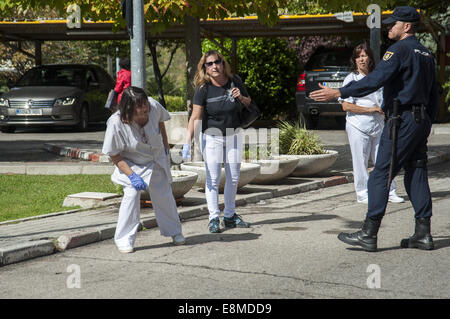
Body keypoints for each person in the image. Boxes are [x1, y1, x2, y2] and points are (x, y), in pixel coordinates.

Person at [310, 6, 439, 252]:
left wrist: (339, 91)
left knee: (380, 173)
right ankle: (423, 233)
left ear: (407, 26)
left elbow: (374, 80)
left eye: (394, 24)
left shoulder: (398, 50)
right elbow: (434, 94)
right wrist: (426, 122)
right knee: (417, 171)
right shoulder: (426, 54)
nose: (389, 27)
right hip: (419, 121)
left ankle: (369, 234)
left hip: (401, 120)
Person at [102, 86, 185, 253]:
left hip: (155, 158)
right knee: (132, 195)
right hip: (131, 162)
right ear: (128, 108)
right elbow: (115, 155)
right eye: (139, 107)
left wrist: (165, 145)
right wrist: (132, 176)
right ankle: (124, 239)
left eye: (145, 104)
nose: (145, 109)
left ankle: (174, 232)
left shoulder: (153, 106)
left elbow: (160, 120)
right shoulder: (116, 123)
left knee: (164, 195)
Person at [181, 50, 251, 233]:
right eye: (209, 64)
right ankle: (213, 217)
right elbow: (195, 116)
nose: (214, 66)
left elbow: (248, 102)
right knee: (212, 178)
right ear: (204, 68)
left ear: (223, 63)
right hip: (212, 137)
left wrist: (240, 97)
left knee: (233, 177)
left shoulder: (235, 80)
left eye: (217, 62)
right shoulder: (203, 89)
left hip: (234, 134)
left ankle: (229, 216)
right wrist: (187, 142)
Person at [339, 43, 404, 204]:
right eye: (358, 56)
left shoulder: (376, 77)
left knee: (384, 159)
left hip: (378, 124)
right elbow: (345, 106)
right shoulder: (351, 78)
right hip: (358, 125)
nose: (361, 59)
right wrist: (370, 110)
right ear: (354, 60)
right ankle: (363, 194)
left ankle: (390, 191)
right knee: (360, 161)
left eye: (364, 55)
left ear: (370, 58)